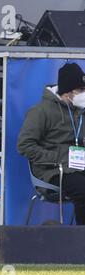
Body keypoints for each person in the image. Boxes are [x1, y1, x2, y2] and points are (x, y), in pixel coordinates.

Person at [18, 62, 85, 225]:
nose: (84, 94)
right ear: (68, 92)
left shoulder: (80, 112)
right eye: (81, 90)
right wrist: (59, 158)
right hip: (53, 171)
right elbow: (24, 145)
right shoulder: (40, 112)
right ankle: (81, 240)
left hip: (78, 167)